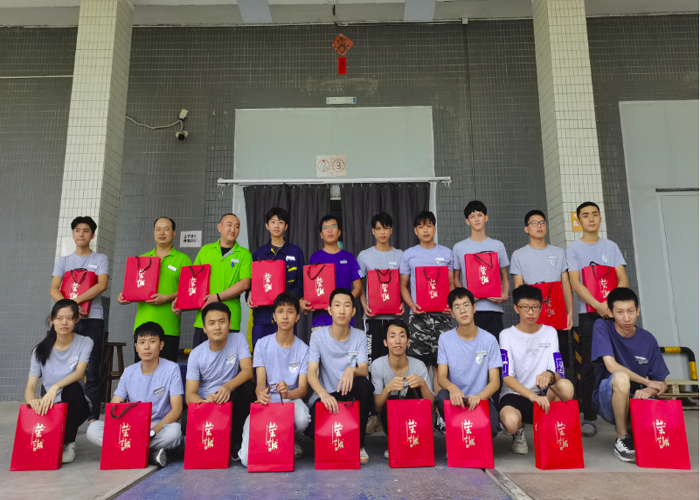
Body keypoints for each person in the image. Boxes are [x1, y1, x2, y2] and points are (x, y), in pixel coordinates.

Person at [567, 201, 628, 437]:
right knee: (589, 367)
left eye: (595, 214)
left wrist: (613, 307)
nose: (591, 219)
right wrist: (598, 305)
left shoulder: (611, 246)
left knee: (619, 362)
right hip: (589, 316)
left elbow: (622, 278)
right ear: (578, 221)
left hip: (614, 315)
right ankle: (589, 417)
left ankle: (623, 414)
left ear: (600, 218)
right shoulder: (574, 249)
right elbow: (575, 283)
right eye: (585, 215)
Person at [86, 322, 184, 467]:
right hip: (131, 427)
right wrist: (125, 425)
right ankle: (150, 455)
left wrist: (152, 431)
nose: (147, 347)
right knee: (93, 429)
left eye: (152, 342)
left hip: (158, 427)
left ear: (161, 345)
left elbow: (177, 410)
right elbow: (114, 406)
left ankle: (125, 449)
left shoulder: (172, 369)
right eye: (142, 342)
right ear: (136, 346)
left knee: (174, 432)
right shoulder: (129, 371)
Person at [591, 288, 669, 463]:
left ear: (638, 311)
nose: (626, 318)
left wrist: (648, 390)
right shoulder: (602, 326)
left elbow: (661, 383)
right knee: (621, 377)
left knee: (661, 435)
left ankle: (633, 428)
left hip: (636, 401)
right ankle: (622, 438)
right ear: (610, 312)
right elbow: (611, 366)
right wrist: (645, 382)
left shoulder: (648, 339)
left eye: (631, 311)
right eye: (620, 312)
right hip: (608, 399)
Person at [498, 285, 574, 455]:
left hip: (544, 395)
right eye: (525, 307)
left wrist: (549, 375)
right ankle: (518, 432)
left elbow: (559, 371)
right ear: (516, 308)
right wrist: (531, 396)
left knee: (566, 386)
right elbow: (507, 376)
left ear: (541, 307)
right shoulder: (506, 335)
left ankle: (551, 431)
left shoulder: (550, 332)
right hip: (516, 395)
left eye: (535, 307)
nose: (531, 312)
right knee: (511, 423)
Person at [238, 292, 311, 465]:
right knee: (247, 460)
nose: (285, 316)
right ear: (274, 316)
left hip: (290, 401)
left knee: (303, 417)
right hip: (267, 402)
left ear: (297, 317)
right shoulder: (262, 344)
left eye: (290, 312)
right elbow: (260, 383)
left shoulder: (304, 349)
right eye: (280, 311)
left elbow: (303, 389)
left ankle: (292, 439)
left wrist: (288, 394)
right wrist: (261, 394)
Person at [304, 288, 373, 465]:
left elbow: (364, 369)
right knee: (310, 428)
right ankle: (340, 438)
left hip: (349, 393)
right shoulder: (318, 336)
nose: (342, 310)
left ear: (353, 311)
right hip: (326, 396)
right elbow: (311, 373)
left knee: (364, 385)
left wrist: (352, 370)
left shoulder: (359, 336)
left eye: (347, 306)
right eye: (337, 305)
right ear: (329, 309)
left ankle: (359, 444)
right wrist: (323, 394)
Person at [50, 216, 109, 422]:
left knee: (92, 368)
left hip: (93, 319)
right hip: (67, 321)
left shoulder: (100, 259)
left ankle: (92, 417)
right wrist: (70, 310)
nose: (81, 234)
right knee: (62, 366)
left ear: (92, 235)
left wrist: (75, 302)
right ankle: (60, 411)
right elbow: (54, 289)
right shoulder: (63, 261)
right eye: (77, 230)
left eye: (86, 231)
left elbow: (102, 285)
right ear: (73, 234)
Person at [185, 302, 256, 461]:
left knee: (248, 388)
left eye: (222, 321)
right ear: (204, 328)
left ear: (229, 324)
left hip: (229, 398)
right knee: (185, 422)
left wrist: (229, 386)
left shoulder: (238, 339)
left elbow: (248, 371)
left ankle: (236, 439)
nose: (217, 327)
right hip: (208, 403)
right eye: (211, 323)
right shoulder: (196, 354)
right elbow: (190, 395)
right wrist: (204, 402)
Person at [25, 299, 93, 464]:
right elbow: (30, 387)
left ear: (76, 320)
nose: (64, 322)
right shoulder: (39, 351)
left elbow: (79, 373)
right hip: (51, 409)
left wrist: (55, 387)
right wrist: (32, 402)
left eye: (69, 318)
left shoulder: (85, 342)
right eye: (59, 318)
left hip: (77, 406)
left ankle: (68, 443)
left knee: (72, 388)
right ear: (52, 320)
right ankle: (58, 437)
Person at [399, 210, 454, 404]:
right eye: (421, 227)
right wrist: (411, 305)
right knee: (420, 367)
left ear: (434, 228)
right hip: (418, 318)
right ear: (415, 230)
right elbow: (403, 286)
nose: (425, 230)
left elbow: (452, 284)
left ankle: (439, 412)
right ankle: (421, 410)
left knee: (441, 367)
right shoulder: (409, 254)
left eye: (429, 226)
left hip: (443, 317)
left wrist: (451, 305)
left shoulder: (446, 253)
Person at [118, 217, 192, 362]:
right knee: (142, 370)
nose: (161, 233)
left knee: (167, 370)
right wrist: (124, 295)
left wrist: (167, 298)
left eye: (166, 229)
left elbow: (188, 290)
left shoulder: (183, 259)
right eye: (158, 229)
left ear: (174, 233)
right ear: (154, 233)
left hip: (169, 326)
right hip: (143, 326)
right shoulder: (142, 259)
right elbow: (135, 287)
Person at [357, 212, 404, 436]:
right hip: (372, 320)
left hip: (394, 320)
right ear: (373, 231)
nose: (382, 232)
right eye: (378, 228)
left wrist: (403, 303)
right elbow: (359, 285)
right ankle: (372, 415)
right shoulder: (364, 256)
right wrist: (364, 305)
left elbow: (404, 284)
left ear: (391, 230)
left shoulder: (400, 255)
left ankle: (397, 412)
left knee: (396, 364)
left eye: (386, 228)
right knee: (371, 364)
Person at [177, 213, 253, 349]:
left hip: (230, 318)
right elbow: (193, 280)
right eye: (229, 225)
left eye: (237, 226)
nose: (233, 229)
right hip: (204, 317)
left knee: (228, 360)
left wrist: (218, 297)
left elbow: (245, 283)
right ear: (219, 227)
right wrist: (180, 301)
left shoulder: (244, 254)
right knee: (201, 358)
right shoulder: (205, 250)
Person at [510, 210, 574, 366]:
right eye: (534, 223)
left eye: (542, 223)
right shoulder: (518, 255)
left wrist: (570, 312)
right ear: (526, 229)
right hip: (532, 315)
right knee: (534, 361)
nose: (539, 226)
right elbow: (518, 288)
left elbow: (566, 284)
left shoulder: (559, 253)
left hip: (557, 314)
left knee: (559, 360)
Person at [435, 288, 501, 437]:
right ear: (452, 314)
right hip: (456, 398)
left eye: (466, 305)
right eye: (457, 307)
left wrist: (479, 397)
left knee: (493, 428)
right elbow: (441, 376)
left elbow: (495, 381)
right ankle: (458, 435)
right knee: (441, 397)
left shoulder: (489, 340)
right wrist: (452, 388)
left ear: (474, 308)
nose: (463, 310)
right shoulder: (445, 339)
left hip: (480, 398)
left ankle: (469, 433)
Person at [371, 319, 434, 459]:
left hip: (415, 418)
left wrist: (422, 384)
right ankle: (396, 444)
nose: (397, 341)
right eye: (392, 336)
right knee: (392, 399)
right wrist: (388, 388)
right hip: (391, 418)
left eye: (402, 336)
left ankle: (416, 442)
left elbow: (431, 408)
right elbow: (377, 407)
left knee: (417, 391)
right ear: (385, 342)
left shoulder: (419, 365)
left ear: (408, 341)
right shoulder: (377, 365)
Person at [452, 200, 510, 341]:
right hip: (470, 309)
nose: (476, 219)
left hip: (494, 309)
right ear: (467, 221)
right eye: (472, 216)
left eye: (479, 215)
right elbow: (455, 279)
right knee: (471, 347)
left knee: (494, 347)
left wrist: (505, 295)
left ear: (486, 217)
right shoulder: (459, 247)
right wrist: (466, 297)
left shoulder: (497, 245)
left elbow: (504, 276)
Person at [247, 207, 305, 347]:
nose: (277, 225)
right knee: (261, 355)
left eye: (280, 222)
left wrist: (286, 298)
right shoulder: (259, 253)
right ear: (267, 226)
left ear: (286, 226)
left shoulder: (295, 251)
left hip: (287, 316)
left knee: (287, 353)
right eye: (273, 222)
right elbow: (252, 282)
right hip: (262, 316)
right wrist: (249, 294)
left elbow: (301, 282)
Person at [303, 215, 363, 331]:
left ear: (339, 232)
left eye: (333, 226)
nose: (330, 230)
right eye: (325, 227)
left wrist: (341, 304)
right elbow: (311, 289)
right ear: (321, 234)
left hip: (345, 319)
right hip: (321, 320)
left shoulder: (349, 257)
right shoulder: (315, 258)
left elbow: (358, 287)